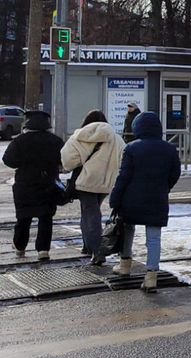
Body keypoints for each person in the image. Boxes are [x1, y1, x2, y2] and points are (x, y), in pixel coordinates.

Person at [107, 111, 180, 292]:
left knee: (127, 230)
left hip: (131, 199)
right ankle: (151, 276)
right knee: (153, 237)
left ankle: (125, 265)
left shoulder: (131, 148)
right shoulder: (170, 149)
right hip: (158, 199)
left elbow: (123, 177)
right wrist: (165, 187)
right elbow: (175, 174)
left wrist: (115, 198)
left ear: (137, 128)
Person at [62, 110, 126, 259]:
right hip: (106, 182)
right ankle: (88, 246)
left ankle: (96, 250)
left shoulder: (78, 137)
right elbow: (124, 158)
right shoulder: (116, 138)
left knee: (90, 213)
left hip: (85, 182)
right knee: (92, 212)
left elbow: (68, 162)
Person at [2, 110, 64, 261]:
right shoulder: (55, 141)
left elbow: (8, 160)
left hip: (25, 184)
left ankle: (20, 247)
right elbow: (64, 159)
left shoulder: (20, 141)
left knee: (23, 217)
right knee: (46, 217)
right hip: (47, 183)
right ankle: (43, 250)